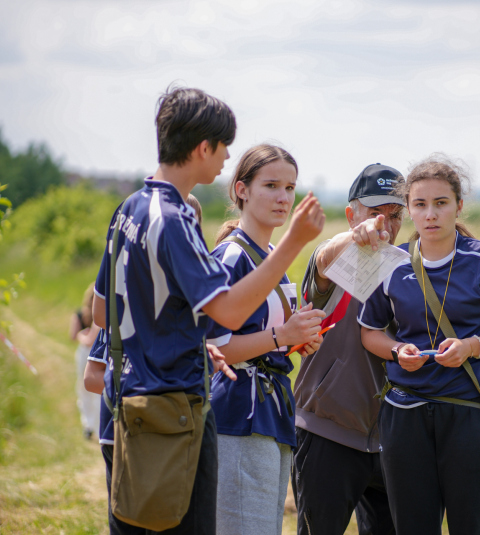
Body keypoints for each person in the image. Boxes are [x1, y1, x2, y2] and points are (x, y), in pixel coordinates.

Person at [91, 86, 325, 535]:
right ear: (203, 147)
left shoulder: (130, 208)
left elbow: (103, 312)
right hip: (172, 407)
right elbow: (231, 314)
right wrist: (295, 241)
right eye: (223, 148)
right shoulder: (175, 219)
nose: (224, 159)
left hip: (128, 402)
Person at [359, 155, 480, 535]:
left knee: (474, 527)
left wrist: (472, 347)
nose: (430, 214)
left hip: (471, 412)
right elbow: (369, 332)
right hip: (404, 414)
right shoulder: (391, 263)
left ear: (458, 205)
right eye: (420, 205)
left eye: (441, 203)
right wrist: (396, 352)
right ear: (408, 209)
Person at [206, 144, 326, 535]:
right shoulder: (231, 257)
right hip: (240, 408)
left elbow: (268, 339)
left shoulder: (271, 253)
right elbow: (214, 347)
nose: (283, 198)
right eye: (271, 185)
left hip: (272, 408)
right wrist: (282, 335)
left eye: (290, 188)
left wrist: (298, 339)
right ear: (241, 189)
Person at [292, 163, 404, 535]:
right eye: (374, 213)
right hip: (329, 433)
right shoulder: (335, 260)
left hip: (394, 440)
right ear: (351, 213)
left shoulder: (409, 271)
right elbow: (325, 256)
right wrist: (358, 236)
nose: (385, 225)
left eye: (395, 214)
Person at [70, 283, 101, 439]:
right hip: (89, 352)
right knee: (88, 388)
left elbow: (77, 336)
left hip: (87, 351)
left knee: (87, 388)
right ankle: (90, 424)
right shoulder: (88, 316)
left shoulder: (86, 315)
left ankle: (91, 424)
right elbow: (78, 336)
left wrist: (83, 336)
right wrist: (84, 336)